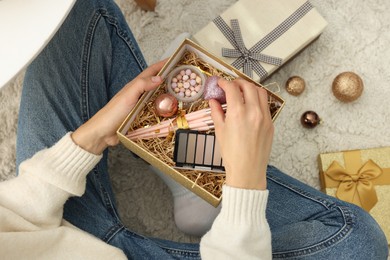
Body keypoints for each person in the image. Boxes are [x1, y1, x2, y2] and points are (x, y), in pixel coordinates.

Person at [0, 0, 388, 259]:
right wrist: (244, 188)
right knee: (358, 241)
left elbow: (9, 220)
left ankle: (176, 160)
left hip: (50, 228)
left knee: (79, 11)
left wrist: (87, 140)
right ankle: (200, 170)